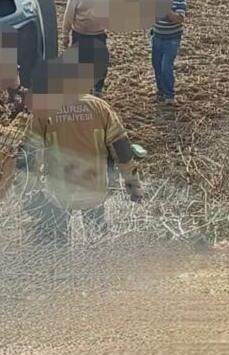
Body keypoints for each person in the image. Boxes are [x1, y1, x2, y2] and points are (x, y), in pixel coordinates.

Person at [17, 60, 145, 247]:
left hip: (58, 194)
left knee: (57, 247)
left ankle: (62, 273)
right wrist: (133, 185)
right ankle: (99, 270)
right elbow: (121, 148)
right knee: (98, 242)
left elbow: (29, 155)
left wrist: (28, 193)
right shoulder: (100, 107)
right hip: (94, 190)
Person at [62, 0, 111, 95]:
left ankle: (98, 88)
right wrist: (65, 35)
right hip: (80, 34)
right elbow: (68, 15)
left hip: (98, 34)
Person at [151, 0, 187, 105]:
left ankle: (169, 95)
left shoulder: (179, 1)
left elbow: (179, 19)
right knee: (156, 65)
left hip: (171, 40)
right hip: (157, 37)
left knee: (166, 67)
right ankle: (161, 91)